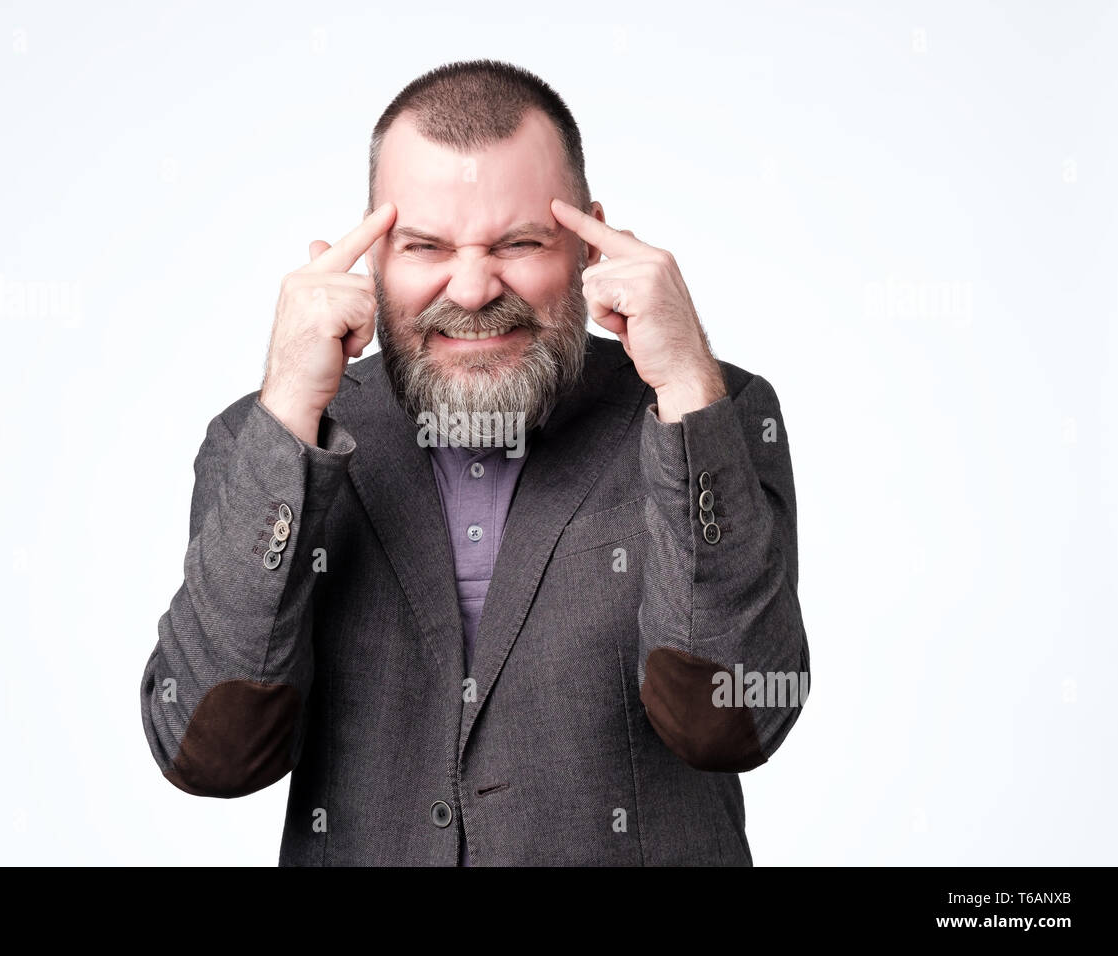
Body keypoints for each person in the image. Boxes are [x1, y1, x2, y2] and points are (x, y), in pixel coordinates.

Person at [140, 58, 810, 865]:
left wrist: (687, 389)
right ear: (371, 257)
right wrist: (288, 411)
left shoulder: (711, 411)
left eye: (520, 241)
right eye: (425, 245)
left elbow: (732, 720)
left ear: (593, 244)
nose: (470, 286)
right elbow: (207, 754)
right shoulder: (269, 438)